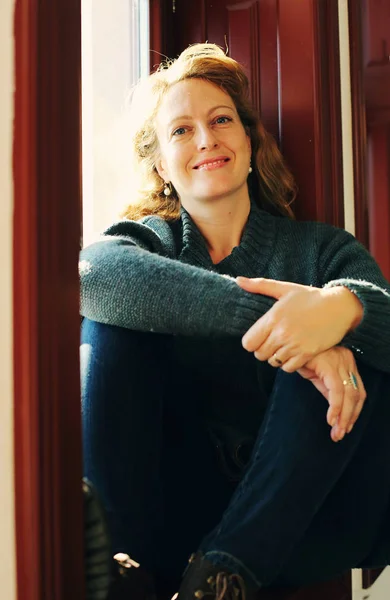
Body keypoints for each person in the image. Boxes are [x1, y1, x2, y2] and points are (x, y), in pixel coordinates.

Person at [80, 43, 390, 600]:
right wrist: (280, 320)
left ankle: (223, 576)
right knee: (111, 323)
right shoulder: (150, 244)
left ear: (249, 143)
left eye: (221, 120)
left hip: (307, 517)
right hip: (167, 517)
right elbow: (90, 273)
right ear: (160, 167)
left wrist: (340, 311)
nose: (206, 138)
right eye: (181, 130)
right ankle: (122, 565)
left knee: (337, 330)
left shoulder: (320, 249)